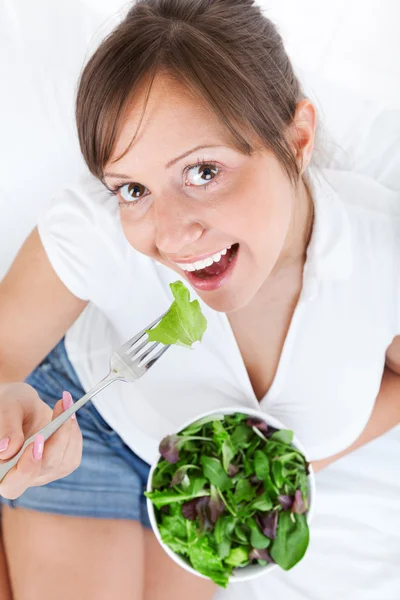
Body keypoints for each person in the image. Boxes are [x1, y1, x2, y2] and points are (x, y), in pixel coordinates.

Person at [0, 0, 399, 598]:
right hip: (93, 431)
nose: (169, 233)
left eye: (203, 172)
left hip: (219, 488)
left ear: (297, 138)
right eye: (133, 188)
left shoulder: (382, 253)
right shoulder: (97, 230)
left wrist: (296, 464)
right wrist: (11, 413)